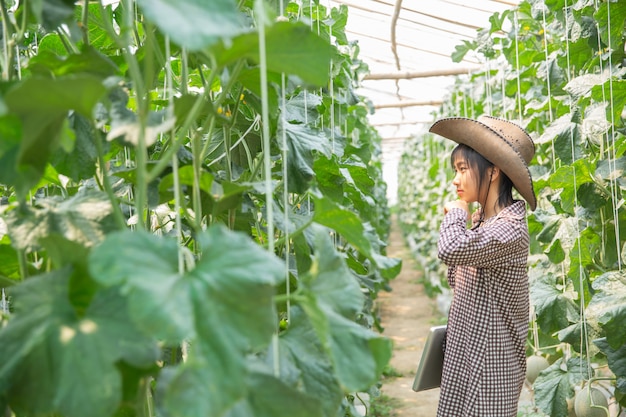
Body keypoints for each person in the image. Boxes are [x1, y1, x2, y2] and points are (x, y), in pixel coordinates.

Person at [428, 115, 537, 417]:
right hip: (466, 359)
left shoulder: (509, 229)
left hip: (490, 369)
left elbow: (450, 249)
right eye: (456, 170)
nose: (455, 179)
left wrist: (455, 215)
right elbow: (457, 279)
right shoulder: (482, 224)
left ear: (492, 172)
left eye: (463, 169)